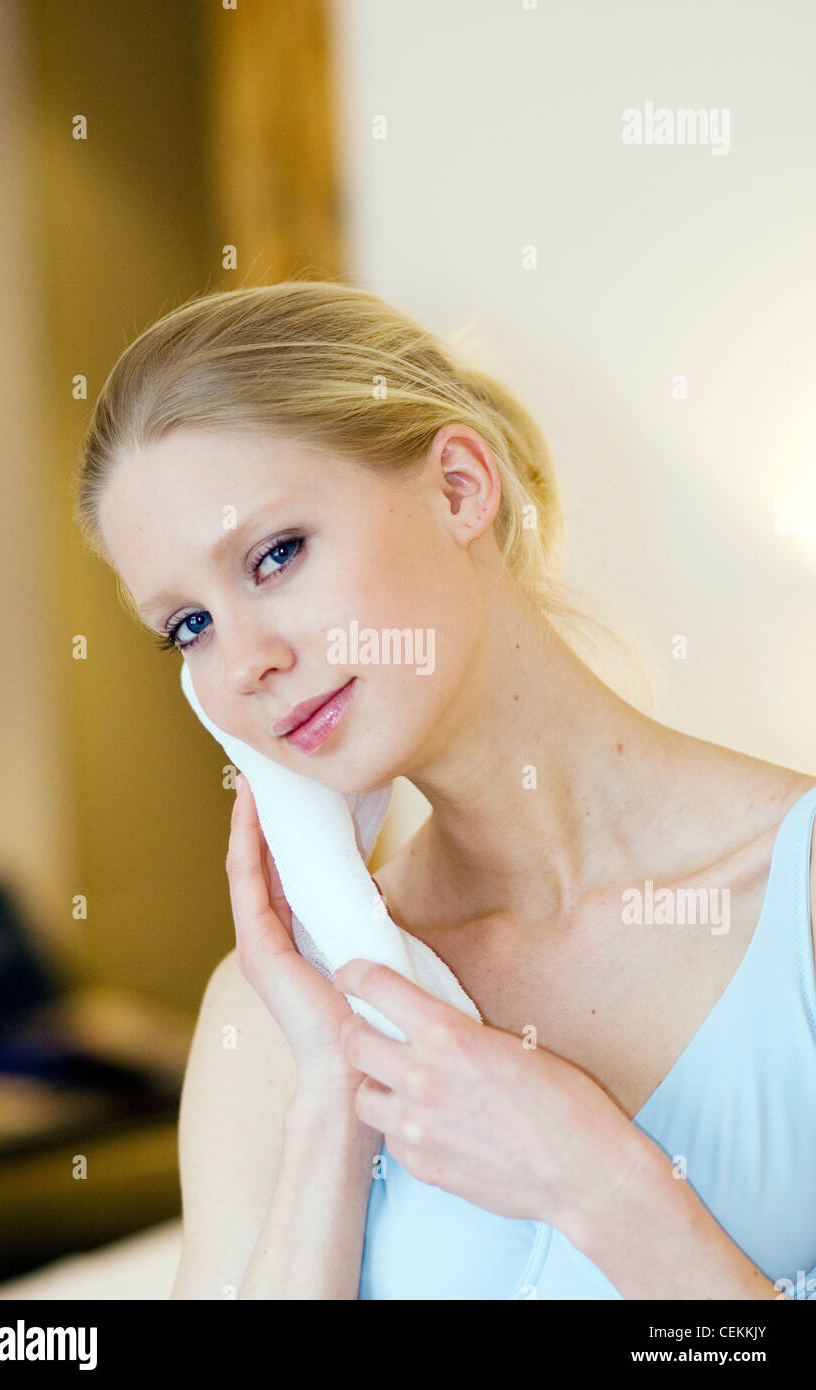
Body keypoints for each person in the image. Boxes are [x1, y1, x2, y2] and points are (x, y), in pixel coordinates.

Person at [76, 278, 816, 1299]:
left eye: (276, 554)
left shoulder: (795, 899)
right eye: (188, 626)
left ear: (461, 487)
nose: (241, 661)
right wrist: (332, 1092)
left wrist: (598, 1183)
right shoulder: (273, 1010)